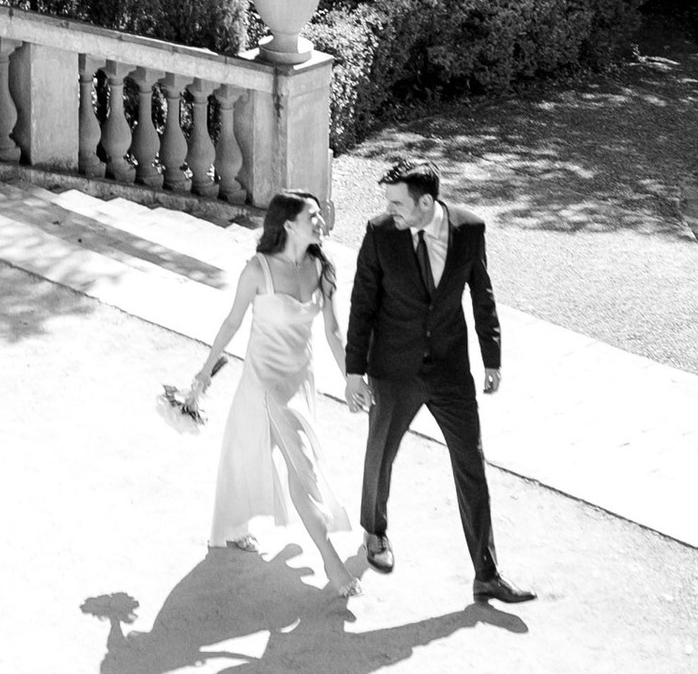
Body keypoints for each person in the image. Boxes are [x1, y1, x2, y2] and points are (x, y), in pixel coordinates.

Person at [343, 159, 534, 606]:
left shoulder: (469, 229)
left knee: (472, 462)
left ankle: (486, 573)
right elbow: (361, 303)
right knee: (380, 455)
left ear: (426, 202)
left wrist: (493, 357)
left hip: (449, 369)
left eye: (397, 202)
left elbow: (481, 293)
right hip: (393, 368)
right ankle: (375, 533)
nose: (388, 210)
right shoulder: (380, 234)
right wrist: (355, 371)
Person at [184, 190, 361, 594]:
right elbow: (231, 323)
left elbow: (334, 332)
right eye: (312, 216)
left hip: (302, 379)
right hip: (264, 383)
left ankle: (233, 528)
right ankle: (332, 564)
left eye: (320, 215)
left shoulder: (322, 267)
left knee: (249, 455)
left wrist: (354, 376)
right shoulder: (257, 269)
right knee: (303, 466)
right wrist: (205, 372)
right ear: (288, 224)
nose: (321, 220)